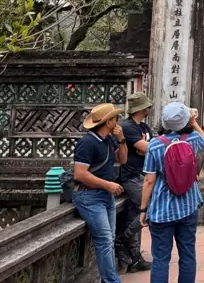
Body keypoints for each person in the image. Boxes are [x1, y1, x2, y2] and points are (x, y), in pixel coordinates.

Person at [139, 103, 204, 283]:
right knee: (187, 255)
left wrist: (143, 209)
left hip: (162, 210)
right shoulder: (193, 139)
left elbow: (149, 180)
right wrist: (194, 123)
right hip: (188, 205)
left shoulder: (154, 145)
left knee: (161, 259)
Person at [72, 103, 128, 283]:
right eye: (115, 118)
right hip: (89, 196)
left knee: (109, 239)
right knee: (104, 239)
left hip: (105, 195)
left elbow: (123, 159)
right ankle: (112, 281)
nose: (118, 121)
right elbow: (80, 174)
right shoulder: (87, 143)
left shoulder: (109, 140)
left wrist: (121, 139)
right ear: (108, 121)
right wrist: (107, 185)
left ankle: (108, 279)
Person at [115, 92, 153, 274]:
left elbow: (149, 149)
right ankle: (122, 238)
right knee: (148, 210)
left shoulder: (144, 127)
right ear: (141, 108)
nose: (149, 109)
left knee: (133, 216)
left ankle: (135, 258)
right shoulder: (127, 126)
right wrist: (144, 149)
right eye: (146, 106)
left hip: (143, 174)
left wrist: (144, 149)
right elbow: (147, 148)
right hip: (131, 175)